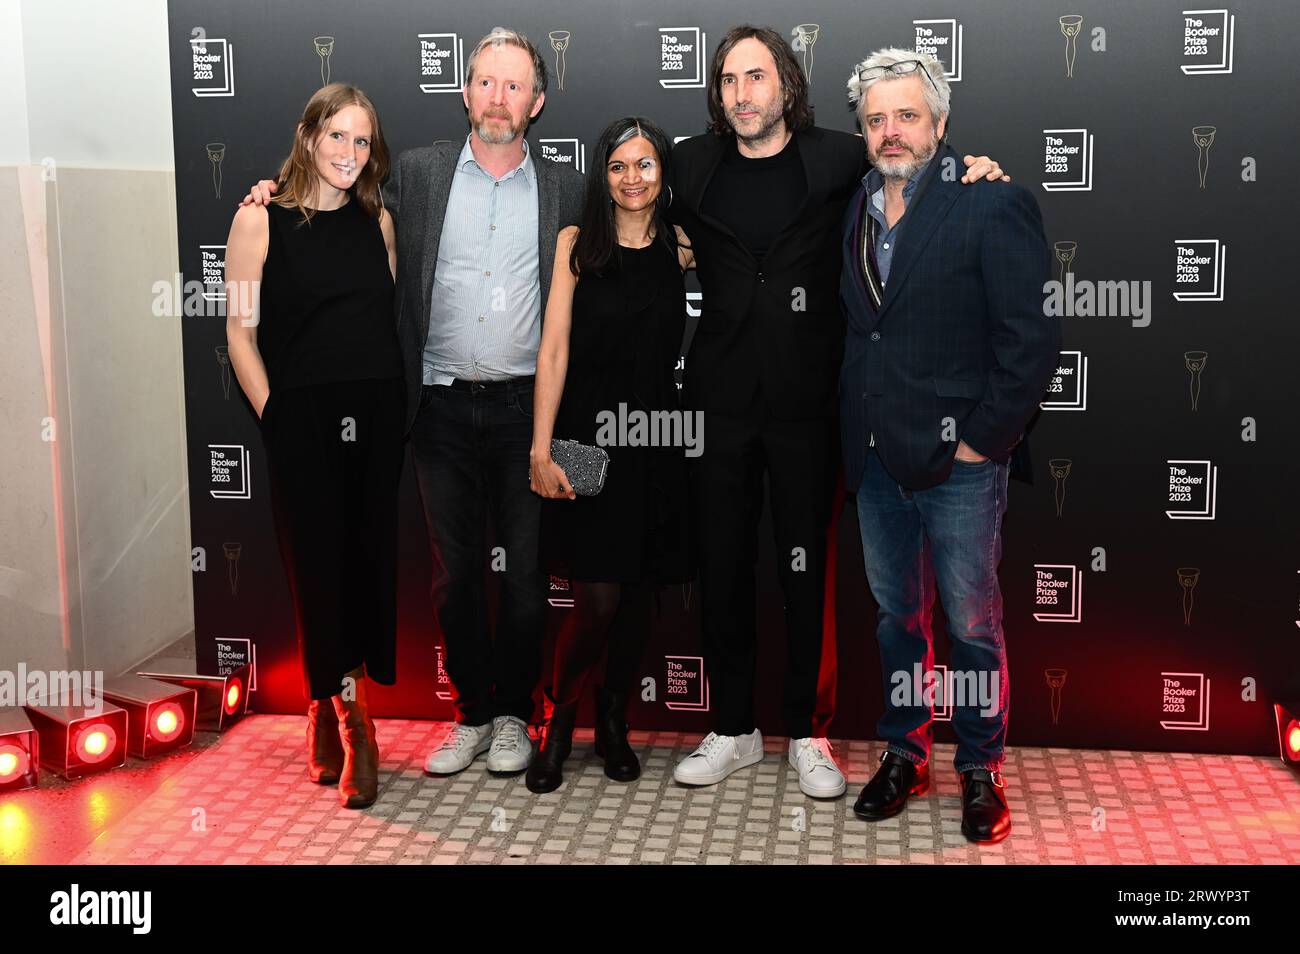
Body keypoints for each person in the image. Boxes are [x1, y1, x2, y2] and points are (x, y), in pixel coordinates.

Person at [667, 25, 1006, 798]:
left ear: (786, 84)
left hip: (812, 406)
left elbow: (916, 166)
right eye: (728, 80)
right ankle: (731, 727)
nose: (743, 93)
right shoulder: (689, 164)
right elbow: (629, 198)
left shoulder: (838, 157)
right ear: (717, 93)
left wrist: (973, 169)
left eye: (757, 77)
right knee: (722, 566)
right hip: (716, 405)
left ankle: (807, 733)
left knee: (807, 569)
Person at [245, 29, 584, 777]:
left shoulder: (563, 188)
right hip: (436, 409)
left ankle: (512, 717)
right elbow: (331, 201)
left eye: (515, 86)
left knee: (526, 577)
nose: (499, 99)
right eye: (485, 83)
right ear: (465, 93)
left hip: (527, 412)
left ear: (538, 102)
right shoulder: (421, 176)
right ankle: (467, 713)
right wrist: (270, 189)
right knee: (455, 574)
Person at [839, 49, 1061, 842]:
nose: (890, 131)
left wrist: (980, 444)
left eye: (906, 115)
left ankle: (979, 768)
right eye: (875, 119)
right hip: (872, 460)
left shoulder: (989, 201)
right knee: (898, 619)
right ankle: (905, 751)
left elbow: (1031, 340)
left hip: (961, 466)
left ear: (939, 123)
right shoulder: (855, 205)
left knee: (970, 623)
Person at [225, 83, 405, 809]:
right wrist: (277, 418)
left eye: (362, 141)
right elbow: (239, 334)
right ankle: (325, 708)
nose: (349, 153)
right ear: (308, 137)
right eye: (337, 136)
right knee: (315, 569)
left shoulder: (380, 222)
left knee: (366, 565)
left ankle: (355, 717)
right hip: (303, 420)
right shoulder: (258, 222)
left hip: (377, 414)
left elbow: (380, 325)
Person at [525, 117, 694, 794]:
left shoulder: (681, 247)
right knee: (596, 598)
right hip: (586, 443)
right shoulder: (577, 245)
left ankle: (615, 721)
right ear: (603, 174)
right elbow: (554, 351)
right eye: (619, 166)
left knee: (635, 599)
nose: (632, 178)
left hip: (654, 440)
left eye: (645, 165)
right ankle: (559, 719)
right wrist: (540, 448)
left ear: (663, 173)